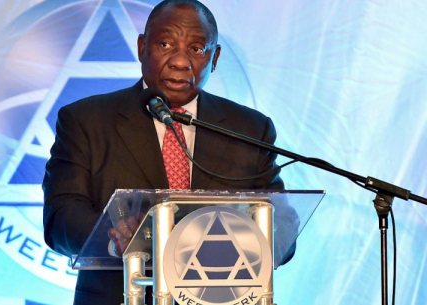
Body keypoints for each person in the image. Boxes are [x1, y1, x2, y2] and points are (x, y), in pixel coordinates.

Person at [43, 1, 289, 304]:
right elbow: (61, 218)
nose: (180, 61)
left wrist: (244, 239)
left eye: (197, 49)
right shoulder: (86, 121)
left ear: (214, 58)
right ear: (142, 47)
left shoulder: (250, 129)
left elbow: (281, 225)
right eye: (165, 44)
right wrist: (113, 235)